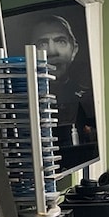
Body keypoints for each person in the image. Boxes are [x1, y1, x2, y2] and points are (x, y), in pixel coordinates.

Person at [31, 15, 95, 146]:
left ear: (74, 49)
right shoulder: (23, 102)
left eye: (61, 41)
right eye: (42, 43)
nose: (52, 51)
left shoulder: (88, 98)